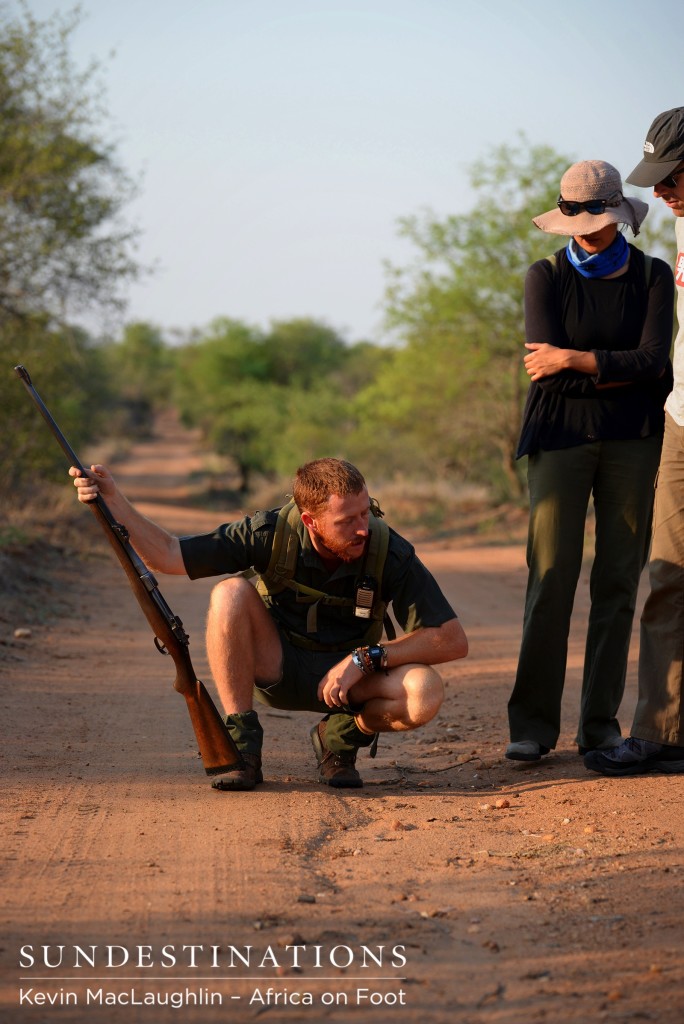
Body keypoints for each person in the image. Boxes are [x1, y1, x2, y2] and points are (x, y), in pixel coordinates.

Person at [70, 456, 468, 791]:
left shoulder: (386, 547)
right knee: (230, 593)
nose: (363, 527)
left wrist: (366, 658)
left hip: (352, 684)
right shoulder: (269, 533)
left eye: (365, 512)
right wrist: (112, 499)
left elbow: (451, 640)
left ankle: (339, 738)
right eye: (347, 520)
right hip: (278, 667)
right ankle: (242, 744)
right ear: (310, 521)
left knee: (424, 691)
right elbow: (170, 555)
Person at [506, 159, 674, 763]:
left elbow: (656, 363)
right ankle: (530, 726)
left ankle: (599, 725)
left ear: (619, 216)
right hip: (560, 437)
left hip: (634, 439)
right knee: (551, 577)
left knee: (617, 581)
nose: (587, 229)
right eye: (576, 217)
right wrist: (614, 366)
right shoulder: (544, 276)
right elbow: (540, 371)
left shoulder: (653, 277)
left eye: (597, 217)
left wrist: (574, 360)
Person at [585, 109, 684, 776]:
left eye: (672, 177)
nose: (661, 192)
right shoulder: (683, 230)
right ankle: (661, 731)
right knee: (666, 576)